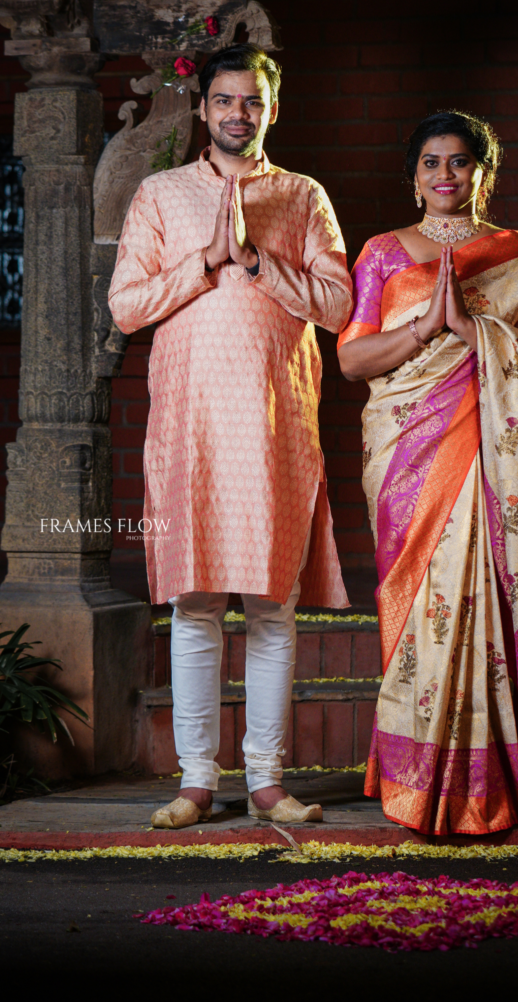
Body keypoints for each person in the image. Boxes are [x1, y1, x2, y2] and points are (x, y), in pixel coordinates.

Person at [110, 43, 352, 829]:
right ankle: (194, 781)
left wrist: (254, 259)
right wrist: (204, 260)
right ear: (202, 107)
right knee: (195, 603)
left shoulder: (302, 195)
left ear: (272, 107)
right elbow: (126, 306)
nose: (237, 115)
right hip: (190, 425)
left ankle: (268, 783)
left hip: (274, 423)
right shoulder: (159, 194)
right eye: (224, 101)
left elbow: (338, 305)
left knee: (272, 608)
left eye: (252, 101)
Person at [338, 110, 518, 836]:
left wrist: (471, 329)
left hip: (491, 457)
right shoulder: (383, 253)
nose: (443, 175)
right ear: (412, 176)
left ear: (485, 172)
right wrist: (422, 328)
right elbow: (353, 360)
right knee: (422, 599)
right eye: (429, 163)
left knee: (489, 589)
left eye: (458, 162)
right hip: (408, 456)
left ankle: (498, 781)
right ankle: (420, 779)